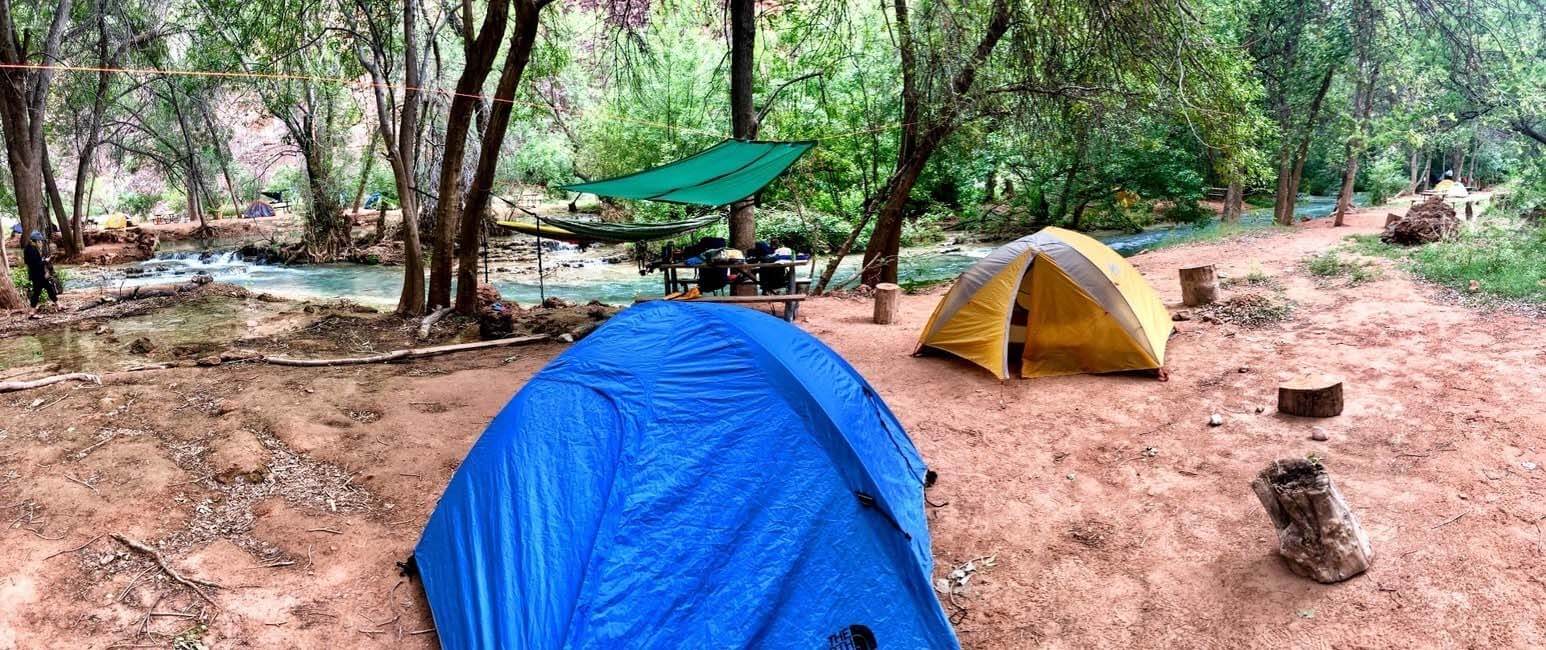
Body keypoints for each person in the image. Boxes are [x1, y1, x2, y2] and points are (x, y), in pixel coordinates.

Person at [22, 231, 58, 308]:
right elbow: (37, 264)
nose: (41, 242)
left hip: (35, 274)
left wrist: (42, 260)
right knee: (36, 293)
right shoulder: (33, 250)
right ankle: (32, 312)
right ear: (37, 241)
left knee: (49, 288)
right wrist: (46, 261)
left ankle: (59, 305)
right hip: (38, 275)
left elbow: (29, 262)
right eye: (40, 241)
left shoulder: (27, 248)